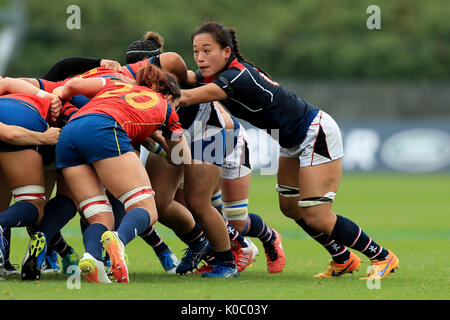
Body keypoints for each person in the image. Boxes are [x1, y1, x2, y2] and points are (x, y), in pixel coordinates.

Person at [178, 21, 399, 280]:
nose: (200, 58)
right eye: (195, 51)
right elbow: (187, 78)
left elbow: (190, 95)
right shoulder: (217, 74)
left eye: (207, 50)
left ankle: (381, 256)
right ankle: (342, 258)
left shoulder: (238, 75)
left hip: (315, 132)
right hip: (292, 141)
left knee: (317, 214)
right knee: (291, 208)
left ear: (226, 52)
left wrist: (153, 95)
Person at [55, 64, 189, 283]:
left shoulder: (116, 84)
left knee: (99, 215)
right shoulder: (167, 108)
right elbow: (179, 156)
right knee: (147, 209)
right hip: (105, 129)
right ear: (168, 95)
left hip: (69, 133)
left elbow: (74, 85)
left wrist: (58, 94)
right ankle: (119, 238)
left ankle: (93, 259)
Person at [0, 76, 62, 280]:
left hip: (17, 117)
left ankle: (4, 263)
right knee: (33, 204)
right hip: (22, 116)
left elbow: (7, 81)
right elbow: (9, 135)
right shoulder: (64, 91)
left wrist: (47, 97)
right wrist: (44, 138)